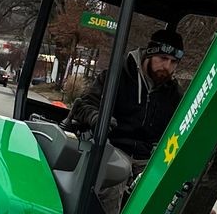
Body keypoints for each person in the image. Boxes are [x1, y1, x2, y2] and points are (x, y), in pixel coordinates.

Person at [65, 28, 185, 164]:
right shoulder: (117, 77)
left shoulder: (175, 95)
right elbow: (83, 105)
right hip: (110, 151)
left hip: (148, 161)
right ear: (149, 54)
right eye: (163, 58)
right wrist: (96, 117)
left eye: (174, 62)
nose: (167, 66)